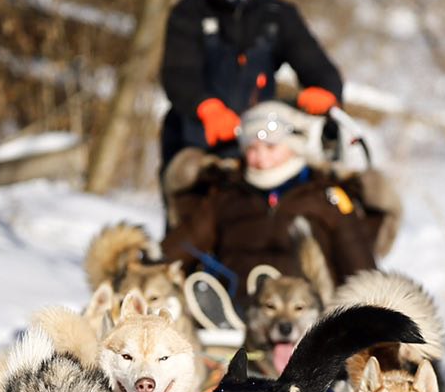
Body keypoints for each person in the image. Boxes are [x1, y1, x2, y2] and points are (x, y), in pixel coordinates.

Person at [158, 0, 344, 192]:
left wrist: (326, 91)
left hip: (256, 147)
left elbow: (316, 64)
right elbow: (178, 73)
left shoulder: (279, 17)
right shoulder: (189, 13)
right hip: (193, 142)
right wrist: (207, 108)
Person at [161, 100, 396, 299]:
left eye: (270, 147)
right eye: (252, 149)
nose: (260, 158)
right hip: (240, 306)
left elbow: (360, 269)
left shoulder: (326, 197)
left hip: (306, 313)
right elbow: (179, 248)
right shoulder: (227, 194)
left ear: (293, 146)